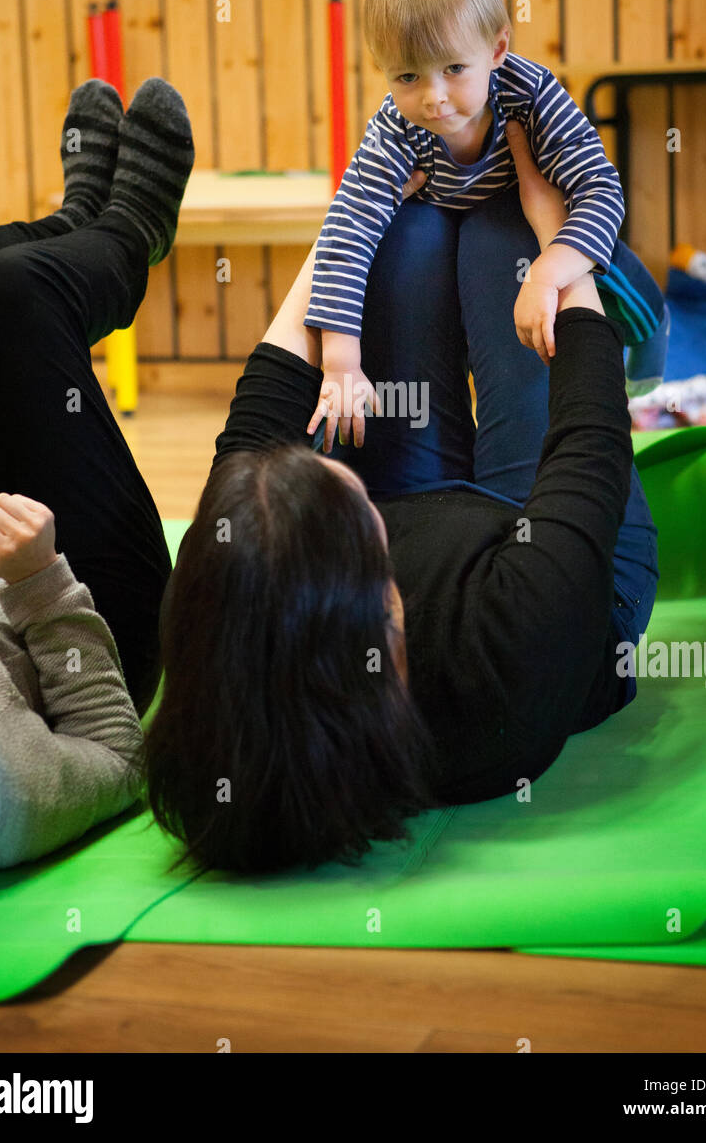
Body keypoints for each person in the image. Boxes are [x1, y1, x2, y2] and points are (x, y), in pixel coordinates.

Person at [145, 117, 660, 878]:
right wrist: (563, 251)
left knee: (404, 235)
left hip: (435, 543)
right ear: (384, 607)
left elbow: (261, 408)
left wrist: (349, 220)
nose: (340, 465)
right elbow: (590, 442)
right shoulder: (512, 643)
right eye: (344, 492)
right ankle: (631, 307)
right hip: (571, 563)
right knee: (502, 238)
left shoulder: (221, 596)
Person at [0, 77, 194, 887]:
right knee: (16, 294)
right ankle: (128, 232)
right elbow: (115, 758)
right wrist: (41, 580)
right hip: (74, 606)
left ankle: (72, 221)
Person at [301, 0, 669, 452]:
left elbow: (600, 190)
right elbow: (348, 230)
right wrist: (341, 359)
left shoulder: (529, 92)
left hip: (537, 221)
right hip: (462, 230)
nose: (433, 97)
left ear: (496, 50)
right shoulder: (394, 127)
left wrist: (548, 268)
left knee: (608, 274)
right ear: (382, 68)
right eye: (408, 76)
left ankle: (649, 331)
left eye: (454, 69)